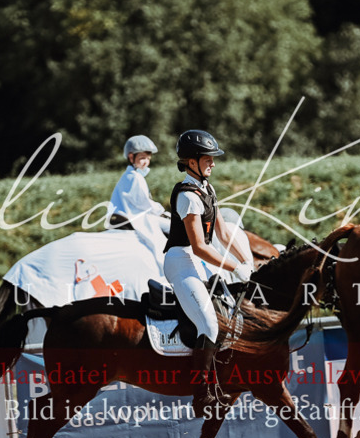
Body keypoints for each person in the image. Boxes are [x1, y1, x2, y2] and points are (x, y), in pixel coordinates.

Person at [163, 129, 253, 417]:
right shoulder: (188, 196)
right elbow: (200, 247)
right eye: (208, 158)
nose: (213, 163)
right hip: (181, 262)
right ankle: (201, 395)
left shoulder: (207, 190)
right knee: (210, 325)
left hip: (197, 261)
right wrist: (234, 268)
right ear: (191, 161)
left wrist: (247, 262)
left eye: (214, 159)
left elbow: (224, 234)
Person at [106, 135, 169, 236]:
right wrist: (162, 211)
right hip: (133, 218)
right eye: (142, 158)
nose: (146, 162)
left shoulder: (127, 176)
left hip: (123, 216)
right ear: (131, 157)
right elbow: (144, 202)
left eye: (148, 159)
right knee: (172, 227)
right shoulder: (135, 177)